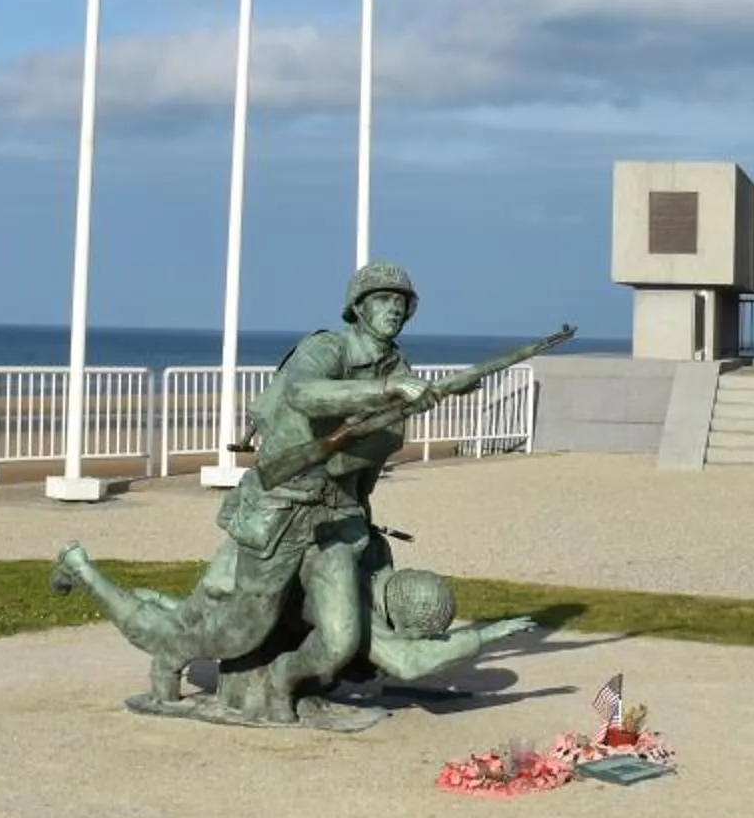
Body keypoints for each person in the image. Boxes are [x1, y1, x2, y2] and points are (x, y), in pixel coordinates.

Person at [52, 259, 488, 717]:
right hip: (281, 510)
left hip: (335, 519)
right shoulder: (326, 348)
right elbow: (304, 394)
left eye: (401, 301)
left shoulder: (398, 363)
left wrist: (438, 394)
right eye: (382, 299)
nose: (394, 309)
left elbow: (369, 451)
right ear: (358, 308)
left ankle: (284, 684)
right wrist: (389, 390)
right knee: (232, 630)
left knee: (341, 639)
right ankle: (99, 588)